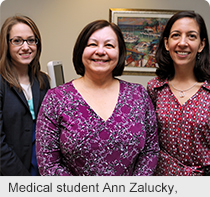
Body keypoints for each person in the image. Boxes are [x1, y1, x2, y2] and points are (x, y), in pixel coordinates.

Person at [36, 20, 159, 176]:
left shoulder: (139, 95)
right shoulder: (56, 99)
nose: (100, 51)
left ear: (120, 53)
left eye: (109, 45)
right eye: (92, 44)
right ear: (81, 50)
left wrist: (130, 192)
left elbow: (151, 150)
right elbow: (49, 164)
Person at [147, 11, 210, 176]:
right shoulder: (154, 88)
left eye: (191, 36)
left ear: (201, 45)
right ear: (167, 44)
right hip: (162, 185)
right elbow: (147, 142)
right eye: (176, 35)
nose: (183, 43)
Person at [0, 15, 50, 176]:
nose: (26, 47)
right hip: (10, 170)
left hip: (39, 165)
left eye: (31, 40)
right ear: (6, 44)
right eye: (17, 41)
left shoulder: (42, 80)